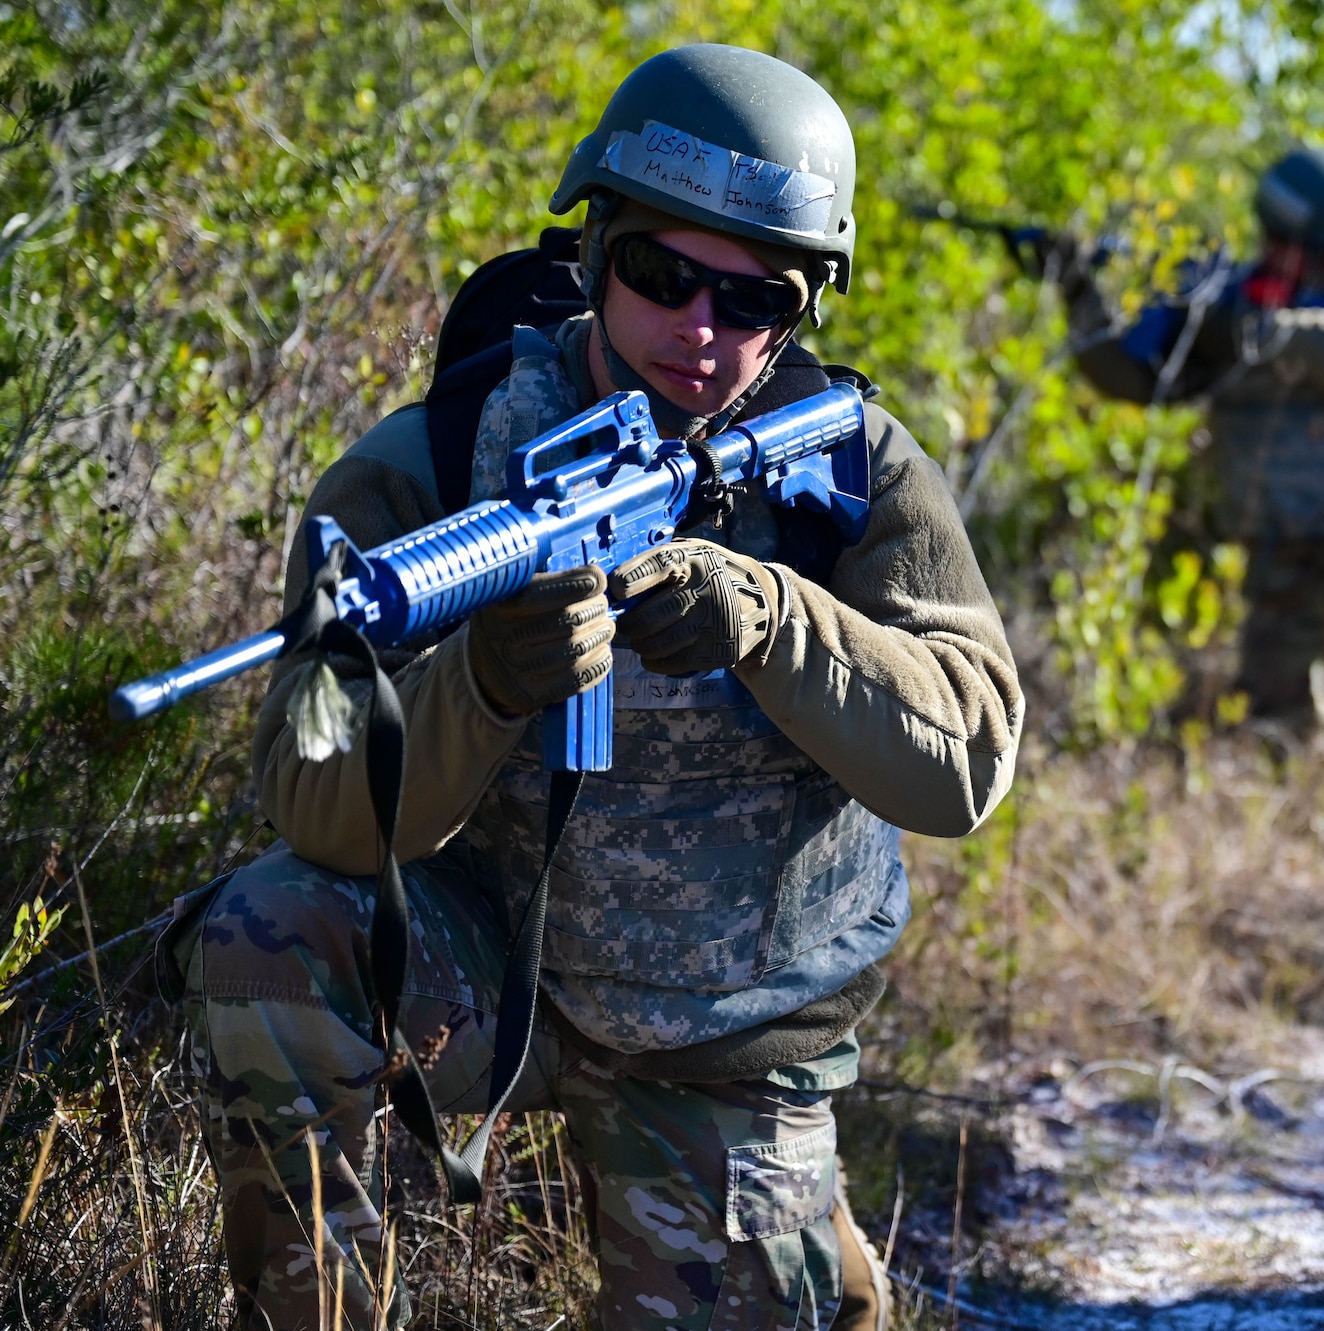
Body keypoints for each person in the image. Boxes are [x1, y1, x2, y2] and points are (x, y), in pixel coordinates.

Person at [165, 44, 1022, 1330]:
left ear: (800, 316)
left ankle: (796, 1235)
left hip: (731, 1017)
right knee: (264, 934)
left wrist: (769, 616)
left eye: (753, 302)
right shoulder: (436, 463)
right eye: (662, 275)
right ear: (595, 250)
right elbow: (320, 811)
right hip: (491, 963)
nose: (700, 329)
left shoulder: (850, 469)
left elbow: (963, 763)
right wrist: (483, 678)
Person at [1051, 145, 1324, 865]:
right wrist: (1079, 289)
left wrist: (1262, 333)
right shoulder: (1235, 298)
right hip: (1285, 538)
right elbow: (1132, 375)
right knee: (1279, 707)